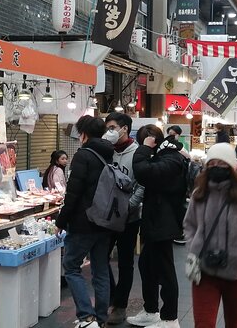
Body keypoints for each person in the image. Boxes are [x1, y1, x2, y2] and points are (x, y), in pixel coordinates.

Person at [184, 143, 237, 328]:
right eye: (212, 163)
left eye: (222, 163)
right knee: (203, 323)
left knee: (234, 322)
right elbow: (189, 224)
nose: (216, 167)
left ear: (231, 166)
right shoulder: (200, 193)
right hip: (204, 271)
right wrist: (194, 247)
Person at [55, 115, 113, 328]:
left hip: (83, 222)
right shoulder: (109, 154)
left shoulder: (83, 156)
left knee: (71, 266)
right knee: (101, 269)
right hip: (105, 221)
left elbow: (73, 194)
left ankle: (86, 318)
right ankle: (101, 318)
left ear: (84, 134)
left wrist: (61, 221)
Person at [127, 124, 186, 328]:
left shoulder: (171, 157)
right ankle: (151, 310)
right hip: (156, 220)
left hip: (164, 222)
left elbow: (143, 172)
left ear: (152, 140)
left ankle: (170, 318)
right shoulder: (164, 155)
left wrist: (143, 150)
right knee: (147, 265)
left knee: (165, 270)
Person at [103, 112, 144, 325]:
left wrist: (129, 205)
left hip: (129, 218)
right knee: (100, 257)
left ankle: (120, 306)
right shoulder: (106, 151)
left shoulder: (137, 153)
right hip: (106, 217)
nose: (109, 132)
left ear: (124, 128)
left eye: (112, 127)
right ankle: (110, 297)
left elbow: (142, 184)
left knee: (125, 263)